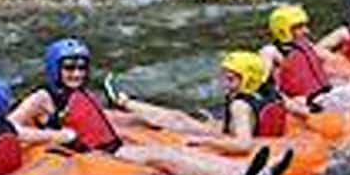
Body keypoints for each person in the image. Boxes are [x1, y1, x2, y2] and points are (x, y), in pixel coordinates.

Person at [8, 38, 293, 175]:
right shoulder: (42, 97)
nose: (77, 73)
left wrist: (137, 115)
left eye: (82, 67)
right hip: (96, 157)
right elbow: (9, 128)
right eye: (69, 67)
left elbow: (98, 120)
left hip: (114, 147)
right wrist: (55, 135)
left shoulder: (79, 93)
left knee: (172, 148)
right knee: (165, 157)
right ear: (54, 68)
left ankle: (248, 171)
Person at [106, 50, 289, 156]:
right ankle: (127, 105)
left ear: (248, 79)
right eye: (225, 76)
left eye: (231, 79)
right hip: (233, 130)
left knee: (179, 119)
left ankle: (124, 101)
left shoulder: (239, 106)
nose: (224, 83)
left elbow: (243, 145)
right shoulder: (265, 87)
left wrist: (204, 142)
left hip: (226, 137)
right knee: (182, 118)